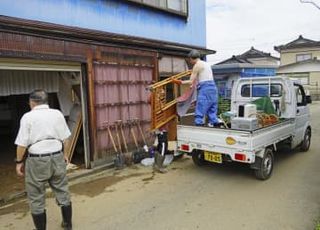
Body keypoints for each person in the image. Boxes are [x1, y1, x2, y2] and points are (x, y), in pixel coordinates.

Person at [15, 89, 72, 230]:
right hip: (57, 156)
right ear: (46, 101)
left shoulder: (27, 117)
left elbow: (22, 145)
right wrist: (65, 155)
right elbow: (66, 139)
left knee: (36, 196)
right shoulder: (57, 114)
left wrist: (19, 162)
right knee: (63, 191)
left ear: (32, 102)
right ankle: (67, 225)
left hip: (37, 161)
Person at [185, 49, 220, 127]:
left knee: (200, 109)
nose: (190, 62)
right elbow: (202, 78)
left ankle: (199, 125)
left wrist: (179, 82)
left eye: (189, 60)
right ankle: (216, 124)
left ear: (191, 58)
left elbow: (190, 81)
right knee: (212, 110)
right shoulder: (206, 64)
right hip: (213, 88)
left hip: (205, 89)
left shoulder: (197, 65)